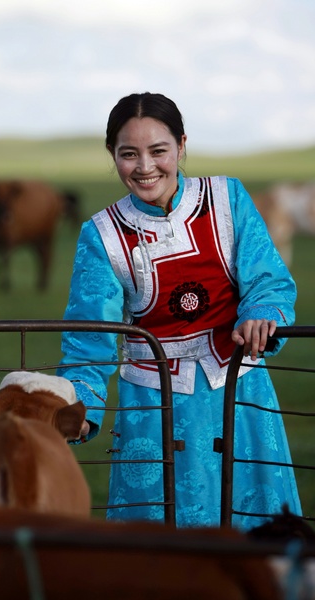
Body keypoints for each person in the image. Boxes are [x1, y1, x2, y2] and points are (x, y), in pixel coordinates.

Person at [57, 92, 302, 530]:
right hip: (154, 408)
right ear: (112, 155)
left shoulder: (229, 199)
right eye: (128, 154)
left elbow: (269, 279)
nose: (145, 166)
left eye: (158, 151)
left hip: (240, 394)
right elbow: (88, 338)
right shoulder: (101, 235)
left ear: (182, 146)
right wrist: (77, 409)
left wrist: (262, 314)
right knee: (163, 558)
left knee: (259, 542)